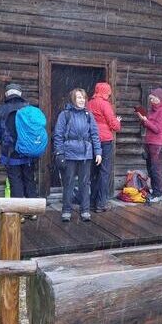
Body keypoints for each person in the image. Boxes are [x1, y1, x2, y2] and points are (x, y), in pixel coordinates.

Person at [53, 88, 102, 222]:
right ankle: (66, 211)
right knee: (68, 183)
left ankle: (85, 210)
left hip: (86, 154)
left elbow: (94, 134)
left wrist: (98, 152)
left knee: (85, 184)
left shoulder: (88, 115)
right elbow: (58, 135)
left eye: (83, 97)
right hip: (69, 154)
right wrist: (59, 153)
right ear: (73, 99)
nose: (81, 100)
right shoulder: (65, 114)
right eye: (78, 97)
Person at [0, 83, 38, 198]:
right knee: (29, 178)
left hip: (10, 152)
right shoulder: (29, 107)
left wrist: (1, 140)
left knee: (15, 180)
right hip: (28, 150)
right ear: (20, 94)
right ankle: (32, 211)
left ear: (6, 94)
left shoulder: (0, 110)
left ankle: (18, 211)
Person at [87, 82, 121, 212]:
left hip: (93, 140)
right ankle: (101, 203)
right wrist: (118, 122)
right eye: (108, 91)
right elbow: (113, 125)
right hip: (105, 140)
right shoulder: (105, 104)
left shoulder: (89, 103)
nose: (109, 94)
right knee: (104, 172)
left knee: (94, 172)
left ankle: (92, 202)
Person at [136, 88, 162, 203]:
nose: (151, 100)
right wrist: (142, 119)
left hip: (157, 144)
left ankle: (159, 194)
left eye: (153, 98)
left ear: (159, 99)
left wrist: (146, 121)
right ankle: (154, 192)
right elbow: (148, 124)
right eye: (151, 98)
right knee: (150, 168)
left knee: (155, 169)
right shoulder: (152, 110)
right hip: (149, 143)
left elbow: (157, 129)